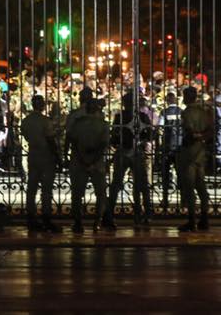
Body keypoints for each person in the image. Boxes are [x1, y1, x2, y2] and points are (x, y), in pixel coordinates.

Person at [109, 93, 154, 226]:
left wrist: (116, 143)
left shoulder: (119, 116)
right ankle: (145, 213)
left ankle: (109, 214)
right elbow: (151, 133)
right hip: (137, 151)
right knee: (142, 184)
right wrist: (144, 141)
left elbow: (114, 136)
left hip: (123, 151)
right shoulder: (142, 116)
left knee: (116, 184)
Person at [68, 98, 111, 233]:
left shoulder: (77, 123)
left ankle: (78, 222)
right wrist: (93, 161)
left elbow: (72, 142)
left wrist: (81, 159)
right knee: (101, 193)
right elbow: (104, 145)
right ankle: (97, 221)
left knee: (77, 193)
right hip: (96, 162)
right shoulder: (103, 124)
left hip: (79, 161)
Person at [20, 95, 61, 232]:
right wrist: (57, 156)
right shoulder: (45, 121)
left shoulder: (26, 121)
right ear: (42, 105)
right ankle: (46, 217)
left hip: (33, 155)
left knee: (31, 188)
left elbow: (25, 136)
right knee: (46, 190)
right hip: (46, 156)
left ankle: (31, 217)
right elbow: (50, 139)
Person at [177, 86, 214, 232]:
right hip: (201, 151)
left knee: (190, 187)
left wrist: (195, 136)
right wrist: (203, 138)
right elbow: (211, 130)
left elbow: (189, 131)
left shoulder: (187, 113)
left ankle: (191, 220)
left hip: (190, 151)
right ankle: (204, 218)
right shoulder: (204, 112)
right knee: (201, 186)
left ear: (187, 97)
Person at [157, 91, 183, 208]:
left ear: (167, 101)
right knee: (181, 173)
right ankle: (183, 199)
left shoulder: (164, 112)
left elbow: (160, 126)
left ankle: (165, 199)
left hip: (168, 145)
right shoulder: (181, 112)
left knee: (165, 174)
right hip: (179, 145)